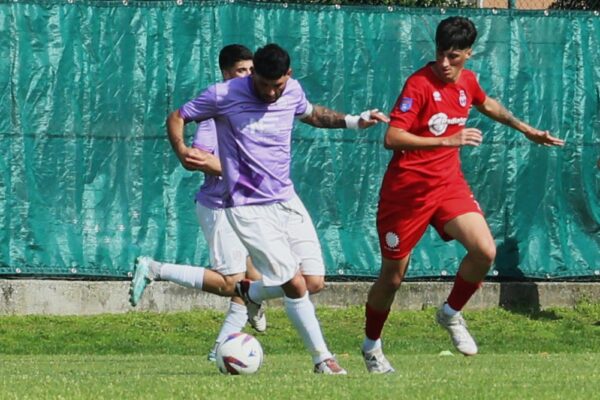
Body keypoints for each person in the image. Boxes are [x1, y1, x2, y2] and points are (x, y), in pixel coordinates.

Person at [167, 43, 388, 374]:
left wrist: (356, 120)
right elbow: (178, 116)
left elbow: (313, 114)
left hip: (286, 200)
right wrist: (182, 149)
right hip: (247, 208)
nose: (271, 93)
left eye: (278, 85)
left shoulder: (292, 91)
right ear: (253, 73)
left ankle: (250, 291)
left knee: (313, 280)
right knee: (294, 284)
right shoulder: (223, 94)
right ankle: (322, 359)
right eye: (263, 84)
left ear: (289, 75)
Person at [361, 16, 564, 373]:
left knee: (485, 250)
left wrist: (526, 129)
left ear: (468, 53)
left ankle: (450, 313)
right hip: (405, 194)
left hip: (447, 187)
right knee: (392, 277)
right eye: (440, 53)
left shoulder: (467, 80)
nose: (444, 63)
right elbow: (392, 137)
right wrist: (447, 140)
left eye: (453, 56)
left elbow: (487, 104)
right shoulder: (418, 85)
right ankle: (371, 346)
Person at [129, 45, 265, 362]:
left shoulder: (252, 103)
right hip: (220, 207)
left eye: (250, 70)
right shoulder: (215, 108)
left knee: (255, 281)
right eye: (240, 71)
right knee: (230, 284)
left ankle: (220, 350)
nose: (247, 76)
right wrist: (245, 172)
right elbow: (198, 158)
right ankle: (153, 269)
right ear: (225, 73)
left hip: (248, 207)